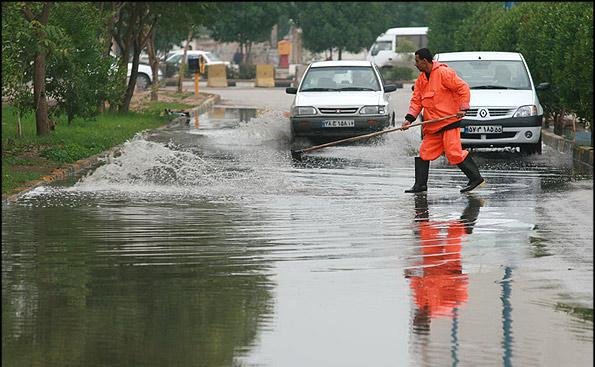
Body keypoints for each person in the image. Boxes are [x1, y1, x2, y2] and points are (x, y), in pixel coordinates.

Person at [402, 48, 484, 193]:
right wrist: (409, 119)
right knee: (424, 153)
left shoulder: (444, 73)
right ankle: (420, 185)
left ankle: (475, 178)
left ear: (425, 61)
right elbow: (416, 101)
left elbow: (463, 88)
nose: (415, 64)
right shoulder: (421, 80)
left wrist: (463, 109)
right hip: (432, 125)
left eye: (417, 61)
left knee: (453, 153)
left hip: (449, 122)